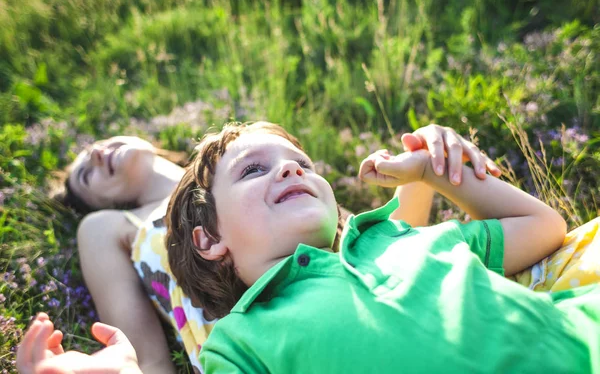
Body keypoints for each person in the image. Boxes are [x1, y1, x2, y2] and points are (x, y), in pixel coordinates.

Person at [19, 121, 600, 372]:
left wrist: (433, 171)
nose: (96, 151)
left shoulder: (329, 219)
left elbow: (403, 254)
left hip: (354, 264)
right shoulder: (111, 228)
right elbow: (148, 354)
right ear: (206, 237)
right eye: (84, 173)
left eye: (301, 164)